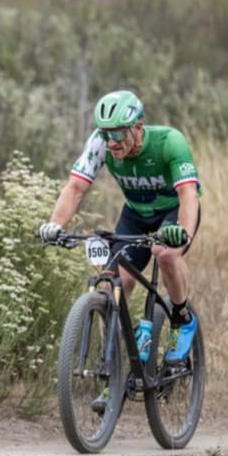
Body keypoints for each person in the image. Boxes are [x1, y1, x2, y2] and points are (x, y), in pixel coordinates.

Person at [38, 90, 201, 364]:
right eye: (105, 133)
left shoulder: (169, 142)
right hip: (136, 213)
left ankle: (182, 318)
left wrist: (182, 232)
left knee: (166, 254)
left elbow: (188, 194)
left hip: (174, 210)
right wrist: (55, 225)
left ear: (137, 127)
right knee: (112, 286)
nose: (111, 142)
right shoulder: (100, 142)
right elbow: (76, 187)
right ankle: (111, 369)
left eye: (117, 134)